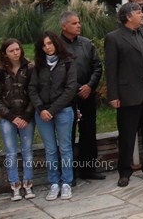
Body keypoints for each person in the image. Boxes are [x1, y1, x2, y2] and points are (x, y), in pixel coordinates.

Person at [105, 2, 143, 187]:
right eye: (138, 12)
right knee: (127, 135)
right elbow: (111, 69)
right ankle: (124, 171)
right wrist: (113, 95)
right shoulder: (114, 38)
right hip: (127, 94)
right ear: (128, 16)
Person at [29, 31, 77, 201]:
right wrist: (41, 109)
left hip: (62, 111)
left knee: (65, 148)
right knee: (50, 149)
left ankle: (66, 182)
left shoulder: (68, 62)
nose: (47, 47)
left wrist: (53, 110)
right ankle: (54, 182)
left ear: (56, 43)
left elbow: (70, 89)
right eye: (44, 45)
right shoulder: (38, 65)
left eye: (50, 43)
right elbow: (32, 89)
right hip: (42, 113)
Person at [60, 11, 105, 181]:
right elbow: (58, 71)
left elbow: (97, 66)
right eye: (74, 23)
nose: (79, 25)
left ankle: (89, 169)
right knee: (67, 135)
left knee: (88, 132)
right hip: (66, 98)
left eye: (79, 22)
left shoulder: (87, 44)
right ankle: (68, 173)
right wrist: (77, 88)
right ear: (64, 26)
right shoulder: (56, 46)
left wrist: (89, 86)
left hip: (87, 95)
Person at [0, 39, 36, 201]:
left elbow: (34, 93)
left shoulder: (30, 68)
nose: (16, 52)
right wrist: (11, 117)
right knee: (10, 152)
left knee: (27, 151)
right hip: (7, 118)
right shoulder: (0, 71)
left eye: (18, 49)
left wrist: (26, 116)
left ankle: (28, 184)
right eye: (12, 50)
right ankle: (15, 185)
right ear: (5, 54)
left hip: (26, 116)